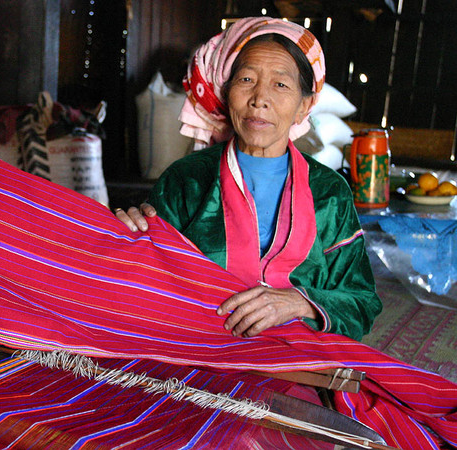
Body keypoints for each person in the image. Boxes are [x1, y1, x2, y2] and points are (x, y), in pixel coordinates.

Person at [116, 17, 382, 341]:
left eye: (280, 84)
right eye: (246, 79)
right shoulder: (187, 179)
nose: (259, 98)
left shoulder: (329, 192)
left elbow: (362, 302)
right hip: (199, 354)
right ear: (227, 95)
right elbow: (146, 275)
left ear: (305, 105)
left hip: (297, 363)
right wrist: (129, 234)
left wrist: (301, 303)